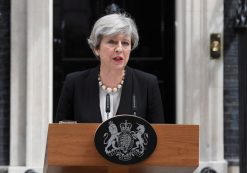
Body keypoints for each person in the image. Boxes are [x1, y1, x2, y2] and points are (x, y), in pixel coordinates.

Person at [55, 13, 164, 123]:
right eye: (112, 42)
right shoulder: (74, 83)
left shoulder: (147, 84)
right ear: (96, 48)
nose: (119, 49)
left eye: (125, 43)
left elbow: (159, 135)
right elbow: (61, 134)